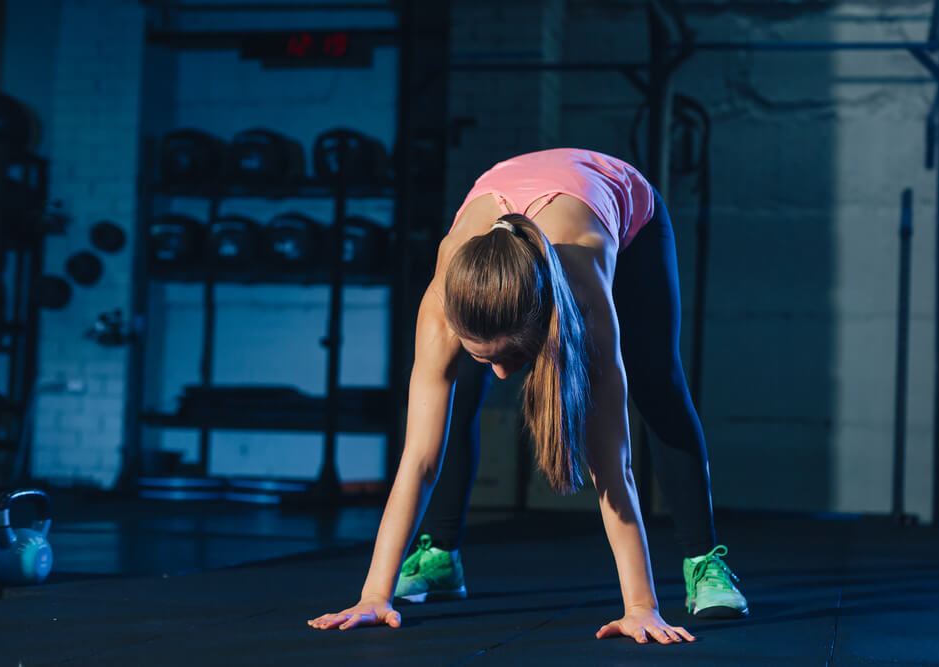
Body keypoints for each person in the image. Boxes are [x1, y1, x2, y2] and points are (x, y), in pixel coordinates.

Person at [308, 148, 747, 643]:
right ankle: (440, 556)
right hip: (510, 194)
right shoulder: (441, 299)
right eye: (485, 355)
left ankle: (704, 561)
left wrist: (640, 607)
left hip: (620, 204)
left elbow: (614, 465)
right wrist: (374, 596)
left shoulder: (583, 290)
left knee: (657, 381)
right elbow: (418, 460)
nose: (501, 374)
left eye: (512, 358)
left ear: (544, 325)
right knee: (458, 397)